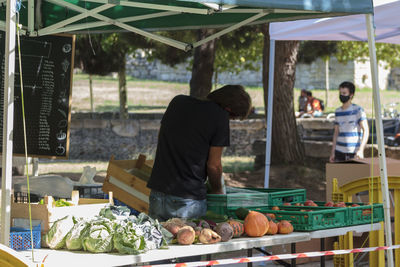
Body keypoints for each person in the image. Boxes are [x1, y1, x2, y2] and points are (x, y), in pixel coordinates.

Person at [147, 85, 252, 222]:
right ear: (229, 109)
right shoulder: (220, 116)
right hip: (187, 200)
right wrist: (217, 189)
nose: (229, 120)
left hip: (158, 193)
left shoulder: (177, 102)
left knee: (158, 241)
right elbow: (214, 165)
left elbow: (162, 138)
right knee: (189, 240)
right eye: (232, 118)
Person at [329, 81, 369, 162]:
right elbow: (336, 132)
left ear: (351, 95)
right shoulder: (338, 111)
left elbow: (366, 130)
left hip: (354, 152)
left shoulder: (358, 110)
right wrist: (333, 152)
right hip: (339, 152)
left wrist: (361, 150)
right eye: (340, 93)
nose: (341, 95)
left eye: (344, 93)